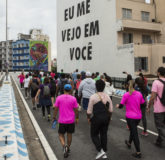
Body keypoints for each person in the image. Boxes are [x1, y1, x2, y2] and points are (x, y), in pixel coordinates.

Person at [116, 80, 145, 158]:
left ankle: (138, 152)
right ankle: (129, 142)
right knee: (133, 130)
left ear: (126, 86)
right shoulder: (139, 94)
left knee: (134, 133)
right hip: (138, 116)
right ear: (135, 85)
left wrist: (117, 105)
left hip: (130, 117)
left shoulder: (126, 95)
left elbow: (121, 106)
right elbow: (143, 104)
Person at [87, 80, 113, 159]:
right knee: (103, 134)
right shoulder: (107, 96)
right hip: (106, 118)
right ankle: (104, 152)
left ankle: (100, 150)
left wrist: (88, 118)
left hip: (96, 118)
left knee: (94, 134)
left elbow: (89, 111)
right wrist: (109, 118)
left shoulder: (93, 97)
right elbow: (111, 110)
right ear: (104, 87)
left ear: (96, 87)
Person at [53, 84, 79, 158]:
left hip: (62, 121)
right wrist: (77, 118)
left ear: (63, 90)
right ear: (70, 90)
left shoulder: (59, 98)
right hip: (71, 120)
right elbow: (76, 110)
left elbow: (55, 109)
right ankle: (68, 147)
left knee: (61, 134)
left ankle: (64, 145)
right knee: (69, 134)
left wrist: (54, 117)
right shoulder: (73, 99)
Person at [148, 67, 165, 147]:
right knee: (162, 126)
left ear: (158, 73)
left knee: (160, 127)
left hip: (159, 108)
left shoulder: (156, 82)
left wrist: (148, 107)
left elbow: (152, 96)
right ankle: (159, 141)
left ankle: (160, 140)